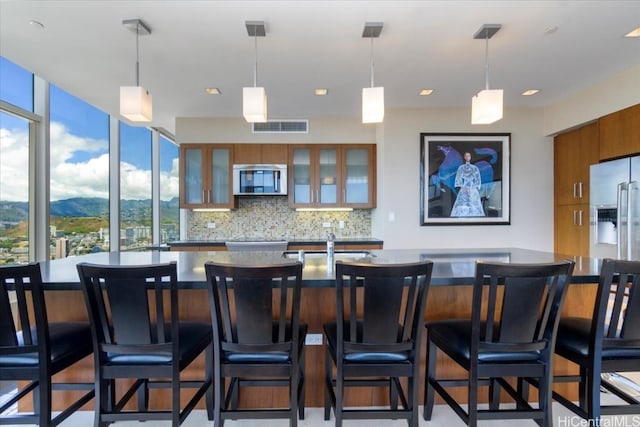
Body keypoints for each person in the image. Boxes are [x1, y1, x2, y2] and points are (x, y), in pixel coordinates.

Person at [450, 152, 485, 217]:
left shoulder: (474, 168)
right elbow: (458, 177)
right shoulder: (461, 168)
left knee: (474, 202)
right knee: (463, 202)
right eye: (466, 156)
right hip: (464, 187)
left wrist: (476, 185)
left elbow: (477, 178)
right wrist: (460, 185)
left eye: (469, 156)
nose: (467, 157)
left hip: (472, 187)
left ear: (470, 157)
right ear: (464, 157)